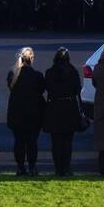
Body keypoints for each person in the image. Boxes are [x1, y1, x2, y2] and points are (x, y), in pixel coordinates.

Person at [45, 47, 85, 177]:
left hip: (54, 106)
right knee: (67, 141)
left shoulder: (49, 72)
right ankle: (66, 168)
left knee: (56, 141)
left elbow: (47, 89)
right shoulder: (72, 71)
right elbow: (77, 90)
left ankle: (58, 169)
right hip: (69, 106)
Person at [6, 47, 46, 175]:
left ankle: (20, 167)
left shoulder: (13, 75)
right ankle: (32, 167)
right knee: (32, 142)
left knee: (19, 141)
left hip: (16, 112)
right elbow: (41, 91)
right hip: (33, 113)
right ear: (31, 58)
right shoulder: (37, 76)